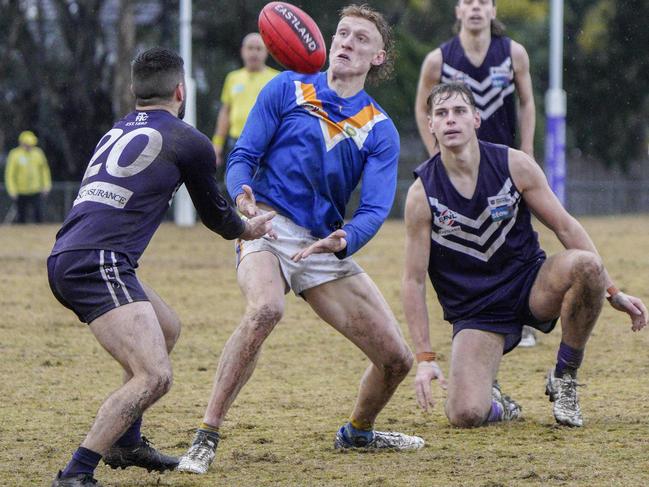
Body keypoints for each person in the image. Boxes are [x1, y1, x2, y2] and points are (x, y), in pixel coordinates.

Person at [178, 4, 423, 475]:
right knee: (266, 309)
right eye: (342, 33)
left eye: (361, 38)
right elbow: (242, 155)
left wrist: (345, 238)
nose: (347, 42)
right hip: (265, 225)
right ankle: (206, 435)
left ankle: (357, 433)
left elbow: (373, 209)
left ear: (378, 57)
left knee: (396, 360)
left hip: (319, 244)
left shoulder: (379, 128)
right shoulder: (287, 87)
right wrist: (242, 199)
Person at [48, 47, 274, 487]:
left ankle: (127, 441)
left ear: (135, 91)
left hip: (74, 253)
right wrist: (247, 229)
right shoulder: (188, 140)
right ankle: (76, 473)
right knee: (155, 376)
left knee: (166, 326)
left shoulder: (114, 130)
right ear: (180, 90)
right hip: (98, 262)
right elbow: (216, 215)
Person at [402, 83, 647, 430]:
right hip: (476, 310)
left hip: (529, 285)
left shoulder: (514, 164)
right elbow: (412, 281)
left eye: (459, 111)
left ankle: (565, 375)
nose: (451, 120)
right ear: (430, 125)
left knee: (587, 266)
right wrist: (425, 357)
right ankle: (498, 404)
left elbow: (565, 226)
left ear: (476, 118)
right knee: (464, 414)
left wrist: (613, 292)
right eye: (441, 114)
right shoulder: (421, 193)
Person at [415, 0, 538, 346]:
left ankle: (524, 316)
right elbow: (423, 107)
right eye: (467, 1)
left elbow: (528, 102)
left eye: (483, 1)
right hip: (457, 167)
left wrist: (526, 149)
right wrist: (435, 154)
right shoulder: (438, 59)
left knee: (516, 235)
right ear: (457, 11)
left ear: (494, 11)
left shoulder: (513, 53)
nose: (475, 8)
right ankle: (474, 314)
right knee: (468, 240)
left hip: (503, 167)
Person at [211, 33, 279, 170]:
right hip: (237, 141)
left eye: (259, 49)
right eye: (250, 48)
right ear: (242, 51)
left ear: (267, 52)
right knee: (237, 184)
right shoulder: (233, 78)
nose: (254, 53)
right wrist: (217, 143)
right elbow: (226, 112)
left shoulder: (277, 78)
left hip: (267, 143)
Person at [4, 130, 51, 223]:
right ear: (22, 142)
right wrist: (12, 190)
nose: (29, 146)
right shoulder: (14, 154)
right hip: (21, 191)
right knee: (21, 217)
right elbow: (10, 174)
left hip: (36, 190)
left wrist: (46, 185)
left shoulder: (38, 153)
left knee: (39, 216)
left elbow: (45, 171)